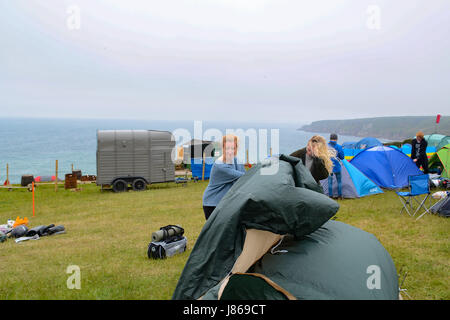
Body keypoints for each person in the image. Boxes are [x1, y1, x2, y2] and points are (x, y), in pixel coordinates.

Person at [202, 134, 246, 220]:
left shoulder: (236, 160)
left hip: (225, 203)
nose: (230, 151)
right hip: (213, 204)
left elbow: (245, 178)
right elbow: (244, 176)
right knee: (216, 233)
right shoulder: (220, 165)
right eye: (227, 148)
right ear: (223, 148)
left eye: (233, 148)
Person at [328, 133, 345, 199]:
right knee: (339, 181)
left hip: (329, 166)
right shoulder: (338, 146)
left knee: (330, 182)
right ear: (336, 139)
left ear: (330, 138)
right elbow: (342, 157)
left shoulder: (326, 146)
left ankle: (330, 196)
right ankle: (340, 196)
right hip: (337, 166)